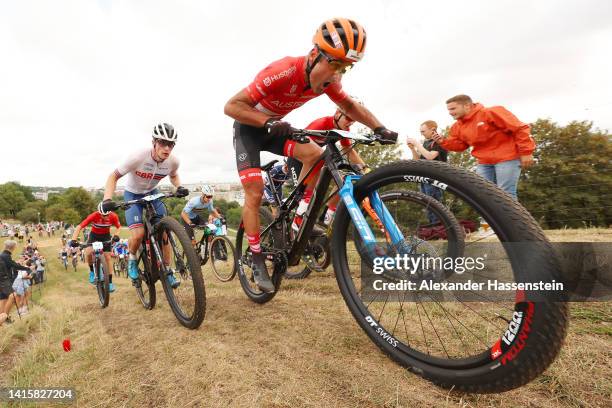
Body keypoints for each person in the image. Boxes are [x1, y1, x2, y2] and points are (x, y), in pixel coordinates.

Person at [224, 18, 398, 292]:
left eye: (346, 67)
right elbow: (231, 106)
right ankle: (256, 256)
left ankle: (298, 211)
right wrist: (266, 121)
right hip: (249, 128)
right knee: (255, 192)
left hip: (276, 128)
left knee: (316, 156)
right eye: (336, 64)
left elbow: (349, 105)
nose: (338, 74)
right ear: (315, 54)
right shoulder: (283, 71)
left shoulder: (328, 81)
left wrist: (379, 127)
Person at [100, 123, 189, 289]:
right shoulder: (138, 157)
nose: (167, 148)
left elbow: (174, 175)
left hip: (152, 193)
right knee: (139, 234)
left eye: (171, 144)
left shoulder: (173, 161)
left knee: (164, 233)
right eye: (163, 142)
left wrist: (178, 187)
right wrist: (107, 199)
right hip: (133, 194)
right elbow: (113, 176)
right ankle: (132, 258)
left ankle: (167, 270)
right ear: (154, 142)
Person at [432, 95, 534, 200]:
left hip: (507, 159)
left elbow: (520, 128)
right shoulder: (457, 127)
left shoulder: (490, 112)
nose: (450, 112)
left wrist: (526, 152)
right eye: (449, 110)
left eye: (453, 108)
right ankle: (487, 217)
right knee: (484, 195)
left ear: (467, 106)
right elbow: (461, 146)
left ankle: (513, 217)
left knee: (505, 194)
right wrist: (442, 141)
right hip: (484, 162)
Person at [70, 203, 121, 291]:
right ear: (99, 212)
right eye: (103, 215)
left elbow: (119, 227)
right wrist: (74, 239)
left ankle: (110, 282)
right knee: (89, 253)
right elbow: (79, 227)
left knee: (108, 257)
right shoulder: (93, 215)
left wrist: (116, 235)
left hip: (106, 236)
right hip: (94, 236)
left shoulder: (113, 216)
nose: (105, 217)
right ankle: (92, 272)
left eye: (107, 215)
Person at [406, 120, 448, 224]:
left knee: (435, 203)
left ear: (432, 129)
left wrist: (417, 143)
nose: (421, 133)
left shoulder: (439, 141)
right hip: (424, 177)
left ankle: (440, 227)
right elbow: (417, 161)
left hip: (435, 176)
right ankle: (433, 229)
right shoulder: (426, 142)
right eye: (420, 131)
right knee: (427, 204)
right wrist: (413, 149)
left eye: (423, 131)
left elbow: (430, 157)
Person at [0, 240, 31, 325]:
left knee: (3, 299)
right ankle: (4, 317)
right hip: (4, 280)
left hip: (2, 280)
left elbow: (12, 265)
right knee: (12, 296)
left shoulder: (3, 255)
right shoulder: (6, 256)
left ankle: (2, 319)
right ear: (13, 247)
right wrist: (27, 268)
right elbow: (14, 265)